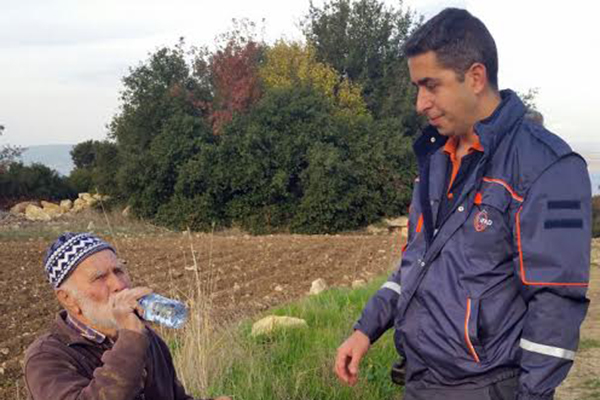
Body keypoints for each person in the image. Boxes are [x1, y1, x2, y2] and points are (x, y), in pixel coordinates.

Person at [335, 8, 591, 400]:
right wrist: (365, 329)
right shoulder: (437, 159)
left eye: (430, 85)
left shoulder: (545, 167)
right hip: (420, 380)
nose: (420, 103)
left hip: (487, 387)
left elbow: (555, 303)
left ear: (475, 77)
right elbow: (416, 261)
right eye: (416, 88)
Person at [24, 232, 231, 400]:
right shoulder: (47, 357)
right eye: (99, 277)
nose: (119, 285)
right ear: (68, 298)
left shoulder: (147, 339)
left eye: (118, 271)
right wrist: (131, 339)